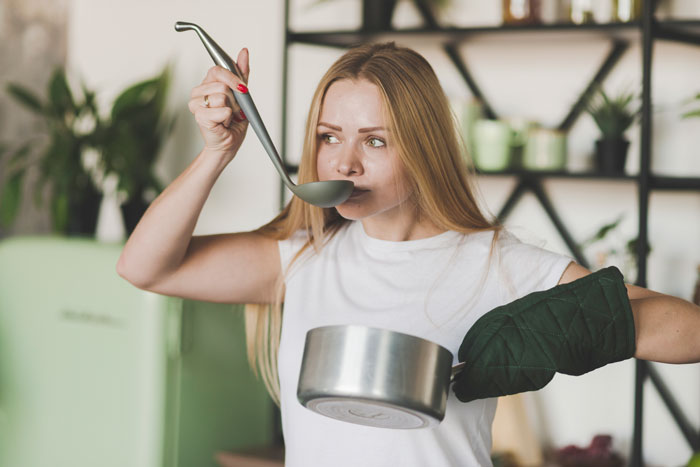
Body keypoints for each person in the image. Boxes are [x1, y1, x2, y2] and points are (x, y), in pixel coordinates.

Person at [117, 42, 700, 466]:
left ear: (422, 148)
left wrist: (564, 331)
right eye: (328, 137)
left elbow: (688, 333)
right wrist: (218, 151)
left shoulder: (498, 263)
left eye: (375, 141)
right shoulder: (301, 258)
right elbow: (144, 267)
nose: (343, 165)